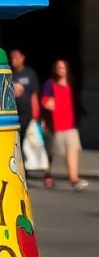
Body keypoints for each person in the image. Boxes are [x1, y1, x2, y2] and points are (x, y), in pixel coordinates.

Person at [41, 59, 88, 191]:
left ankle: (74, 180)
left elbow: (75, 100)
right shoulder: (50, 84)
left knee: (72, 152)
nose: (60, 70)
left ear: (67, 70)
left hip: (71, 125)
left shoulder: (72, 84)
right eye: (58, 67)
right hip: (55, 126)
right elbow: (44, 98)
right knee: (53, 153)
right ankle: (48, 176)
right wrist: (47, 104)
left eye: (62, 67)